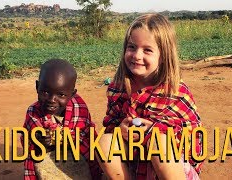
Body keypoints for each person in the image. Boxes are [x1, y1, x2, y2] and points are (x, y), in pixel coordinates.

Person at [97, 14, 203, 180]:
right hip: (135, 164)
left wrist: (151, 132)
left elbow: (192, 142)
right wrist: (120, 129)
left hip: (172, 169)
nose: (137, 56)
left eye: (147, 50)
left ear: (163, 56)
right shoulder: (117, 88)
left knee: (158, 143)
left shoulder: (176, 92)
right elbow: (110, 123)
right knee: (104, 143)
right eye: (132, 47)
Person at [21, 59, 102, 180]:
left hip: (78, 157)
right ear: (37, 87)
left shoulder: (79, 108)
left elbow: (88, 138)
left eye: (61, 95)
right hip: (49, 159)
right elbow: (30, 145)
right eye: (45, 92)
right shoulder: (34, 113)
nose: (52, 100)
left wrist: (64, 138)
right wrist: (41, 142)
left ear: (72, 94)